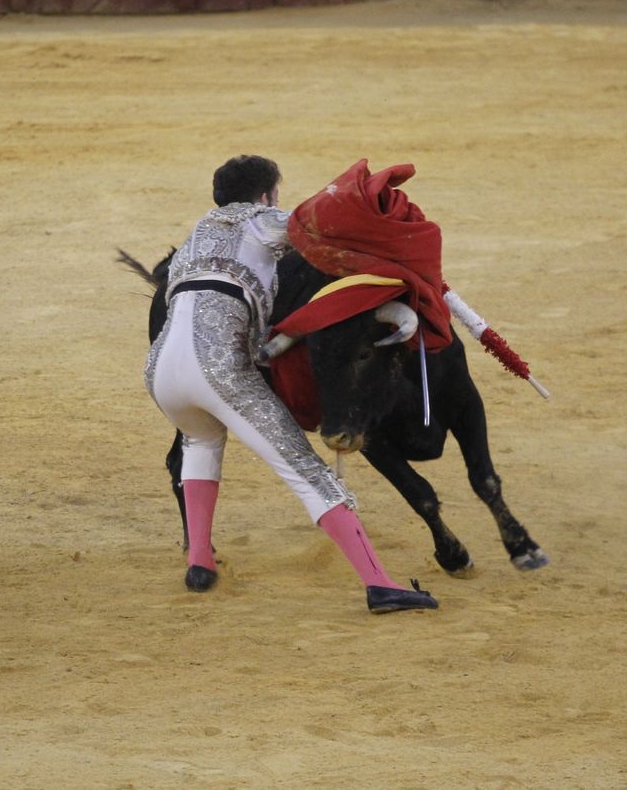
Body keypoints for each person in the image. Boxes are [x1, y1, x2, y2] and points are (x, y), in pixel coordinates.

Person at [144, 155, 437, 614]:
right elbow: (329, 229)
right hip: (217, 367)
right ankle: (380, 583)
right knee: (308, 472)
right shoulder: (264, 221)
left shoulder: (196, 233)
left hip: (161, 370)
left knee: (199, 442)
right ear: (266, 195)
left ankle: (200, 560)